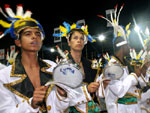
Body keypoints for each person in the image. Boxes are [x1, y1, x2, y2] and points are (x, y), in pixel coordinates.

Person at [0, 4, 69, 113]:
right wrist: (31, 105)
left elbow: (59, 108)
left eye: (38, 34)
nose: (34, 37)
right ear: (18, 42)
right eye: (28, 34)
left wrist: (62, 96)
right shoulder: (4, 76)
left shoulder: (52, 67)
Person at [97, 4, 143, 113]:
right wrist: (134, 75)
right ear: (123, 47)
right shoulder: (111, 66)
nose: (130, 48)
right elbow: (119, 90)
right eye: (128, 45)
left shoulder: (124, 64)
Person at [53, 21, 101, 112]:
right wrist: (86, 90)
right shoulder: (62, 66)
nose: (79, 40)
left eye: (82, 38)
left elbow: (99, 93)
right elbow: (62, 97)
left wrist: (103, 85)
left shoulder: (90, 64)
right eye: (75, 38)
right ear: (69, 42)